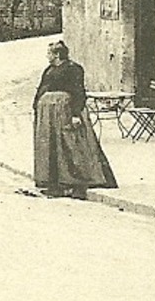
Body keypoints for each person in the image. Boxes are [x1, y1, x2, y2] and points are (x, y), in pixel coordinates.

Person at [32, 40, 117, 198]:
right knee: (52, 147)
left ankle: (76, 183)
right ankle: (55, 183)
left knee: (71, 146)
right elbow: (42, 88)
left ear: (57, 54)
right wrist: (37, 107)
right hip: (49, 116)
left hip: (66, 112)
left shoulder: (73, 69)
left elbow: (78, 91)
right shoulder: (49, 70)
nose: (47, 55)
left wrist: (76, 114)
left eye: (49, 53)